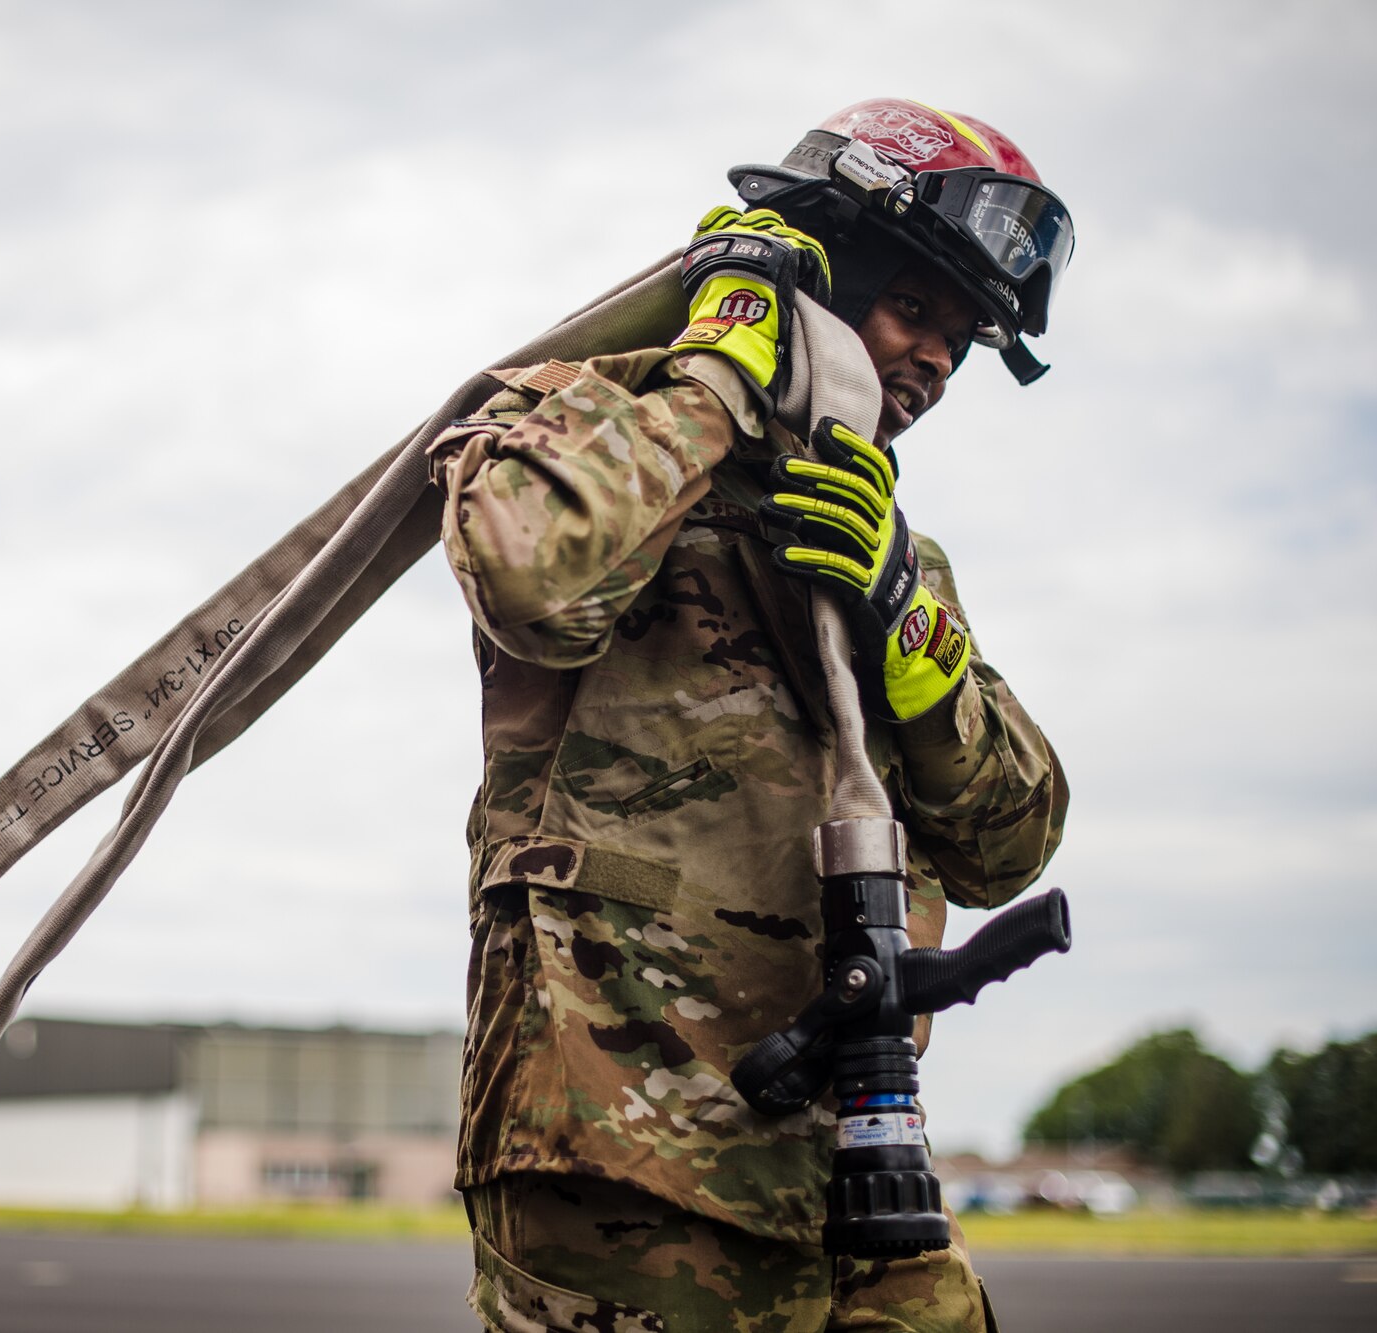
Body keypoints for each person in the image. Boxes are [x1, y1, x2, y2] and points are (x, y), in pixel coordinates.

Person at [431, 99, 1073, 1332]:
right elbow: (532, 575)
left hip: (851, 1163)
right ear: (819, 266)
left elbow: (1013, 842)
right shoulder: (587, 420)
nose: (937, 362)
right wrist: (724, 362)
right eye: (916, 310)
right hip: (622, 1149)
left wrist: (909, 634)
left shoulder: (889, 553)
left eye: (961, 339)